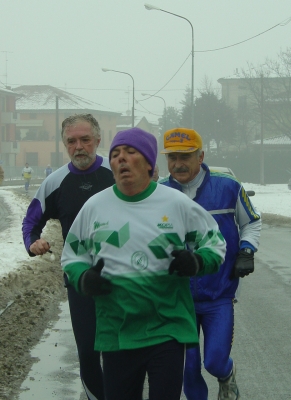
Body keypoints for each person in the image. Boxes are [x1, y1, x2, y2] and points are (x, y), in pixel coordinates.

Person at [61, 127, 226, 400]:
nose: (121, 159)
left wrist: (197, 261)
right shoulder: (95, 207)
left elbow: (215, 244)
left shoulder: (176, 203)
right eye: (115, 154)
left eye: (130, 152)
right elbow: (72, 256)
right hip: (117, 329)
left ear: (149, 163)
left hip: (167, 327)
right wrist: (84, 278)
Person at [160, 127, 262, 400]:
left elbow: (251, 222)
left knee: (214, 362)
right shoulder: (159, 192)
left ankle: (226, 376)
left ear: (200, 155)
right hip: (178, 297)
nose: (178, 164)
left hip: (220, 291)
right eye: (172, 158)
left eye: (185, 156)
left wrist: (246, 250)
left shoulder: (228, 187)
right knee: (188, 368)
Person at [22, 113, 115, 400]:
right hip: (79, 279)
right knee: (88, 351)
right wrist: (33, 243)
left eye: (85, 140)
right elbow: (30, 222)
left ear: (98, 141)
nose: (79, 147)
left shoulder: (117, 174)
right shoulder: (55, 182)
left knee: (119, 351)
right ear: (64, 144)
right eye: (71, 141)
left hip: (123, 278)